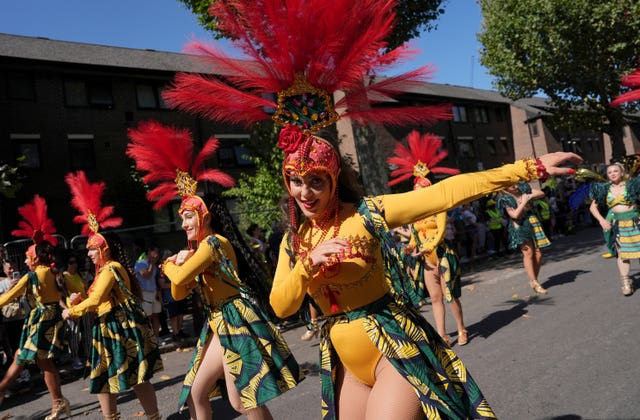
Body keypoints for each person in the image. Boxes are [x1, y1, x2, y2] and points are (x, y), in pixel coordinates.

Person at [157, 1, 581, 417]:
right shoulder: (294, 240)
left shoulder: (368, 213)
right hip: (344, 363)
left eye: (316, 181)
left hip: (391, 349)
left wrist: (530, 166)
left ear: (333, 179)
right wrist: (307, 265)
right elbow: (282, 306)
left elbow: (448, 193)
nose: (305, 192)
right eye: (296, 181)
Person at [127, 121, 302, 419]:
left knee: (241, 400)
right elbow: (179, 291)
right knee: (198, 393)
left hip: (233, 320)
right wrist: (180, 264)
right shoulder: (197, 251)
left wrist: (169, 263)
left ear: (203, 217)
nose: (183, 225)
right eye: (181, 219)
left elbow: (178, 278)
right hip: (217, 323)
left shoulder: (213, 243)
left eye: (188, 218)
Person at [62, 171, 162, 420]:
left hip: (118, 328)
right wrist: (75, 301)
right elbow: (93, 299)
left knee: (137, 377)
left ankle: (154, 418)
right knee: (103, 377)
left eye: (92, 250)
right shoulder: (103, 272)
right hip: (106, 329)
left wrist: (71, 311)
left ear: (103, 249)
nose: (89, 255)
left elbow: (95, 301)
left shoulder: (111, 268)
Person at [387, 131, 468, 347]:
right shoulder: (415, 214)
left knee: (450, 296)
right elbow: (414, 237)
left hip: (441, 255)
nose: (418, 191)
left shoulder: (438, 206)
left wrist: (428, 247)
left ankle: (461, 328)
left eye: (421, 187)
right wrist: (409, 248)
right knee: (435, 298)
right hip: (426, 260)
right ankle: (442, 335)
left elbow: (440, 231)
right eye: (415, 188)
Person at [0, 195, 69, 419]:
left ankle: (1, 391)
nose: (26, 260)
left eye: (28, 256)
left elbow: (9, 295)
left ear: (35, 258)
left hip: (41, 320)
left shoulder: (33, 276)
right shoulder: (52, 272)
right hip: (49, 318)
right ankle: (59, 402)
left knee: (26, 358)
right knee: (44, 362)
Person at [588, 162, 640, 296]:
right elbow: (593, 208)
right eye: (610, 172)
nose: (612, 174)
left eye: (615, 171)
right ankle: (626, 282)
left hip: (635, 222)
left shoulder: (631, 185)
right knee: (622, 254)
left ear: (622, 173)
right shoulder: (603, 189)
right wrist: (602, 220)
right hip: (619, 225)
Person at [497, 181, 551, 294]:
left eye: (515, 183)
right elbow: (514, 215)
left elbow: (541, 193)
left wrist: (528, 196)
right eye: (511, 184)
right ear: (505, 188)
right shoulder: (506, 199)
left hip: (532, 221)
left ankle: (534, 280)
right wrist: (523, 203)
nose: (515, 185)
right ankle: (535, 282)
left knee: (539, 254)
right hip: (520, 225)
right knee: (528, 253)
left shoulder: (524, 190)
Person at [60, 254, 87, 371]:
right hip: (72, 309)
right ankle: (75, 358)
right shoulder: (63, 277)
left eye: (75, 262)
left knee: (87, 334)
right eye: (71, 262)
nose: (74, 265)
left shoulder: (79, 274)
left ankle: (89, 357)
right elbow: (59, 296)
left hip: (85, 307)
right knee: (74, 335)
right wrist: (66, 309)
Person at [133, 245, 162, 337]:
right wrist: (152, 264)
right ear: (149, 251)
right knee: (147, 317)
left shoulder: (154, 265)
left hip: (154, 292)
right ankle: (148, 338)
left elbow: (154, 279)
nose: (156, 255)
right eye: (155, 252)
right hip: (145, 293)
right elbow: (147, 275)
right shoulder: (140, 263)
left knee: (156, 315)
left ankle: (156, 337)